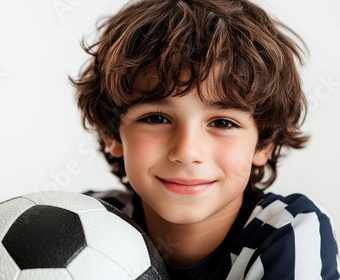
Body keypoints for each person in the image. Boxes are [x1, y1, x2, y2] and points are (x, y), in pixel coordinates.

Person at [71, 0, 340, 279]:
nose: (187, 151)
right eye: (157, 118)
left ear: (264, 144)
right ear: (111, 133)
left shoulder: (289, 232)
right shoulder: (85, 223)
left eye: (223, 123)